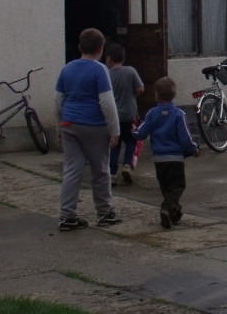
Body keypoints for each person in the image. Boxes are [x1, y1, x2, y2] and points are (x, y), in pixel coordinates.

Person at [55, 28, 121, 231]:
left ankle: (67, 215)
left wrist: (59, 127)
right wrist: (114, 130)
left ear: (79, 47)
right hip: (94, 125)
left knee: (72, 170)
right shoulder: (100, 70)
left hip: (69, 124)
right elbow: (107, 102)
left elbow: (58, 101)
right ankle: (105, 213)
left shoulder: (66, 69)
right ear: (101, 49)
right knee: (100, 170)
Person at [133, 76, 200, 229]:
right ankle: (167, 210)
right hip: (175, 158)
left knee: (166, 188)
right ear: (174, 95)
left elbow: (141, 133)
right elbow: (185, 138)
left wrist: (133, 132)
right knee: (177, 187)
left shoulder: (151, 113)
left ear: (156, 95)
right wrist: (194, 150)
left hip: (159, 159)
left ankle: (174, 214)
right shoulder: (179, 114)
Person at [106, 44, 144, 185]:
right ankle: (127, 165)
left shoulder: (106, 74)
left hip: (113, 117)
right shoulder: (130, 71)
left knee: (114, 144)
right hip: (130, 116)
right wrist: (131, 94)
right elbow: (140, 89)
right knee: (132, 141)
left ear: (109, 58)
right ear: (123, 58)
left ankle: (112, 174)